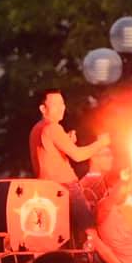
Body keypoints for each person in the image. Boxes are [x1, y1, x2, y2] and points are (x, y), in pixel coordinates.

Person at [29, 88, 110, 245]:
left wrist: (67, 141)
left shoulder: (36, 129)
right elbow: (78, 156)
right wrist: (101, 144)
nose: (62, 108)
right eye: (56, 104)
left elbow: (47, 153)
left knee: (60, 237)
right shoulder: (52, 127)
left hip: (45, 190)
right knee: (90, 233)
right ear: (43, 108)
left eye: (63, 103)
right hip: (66, 188)